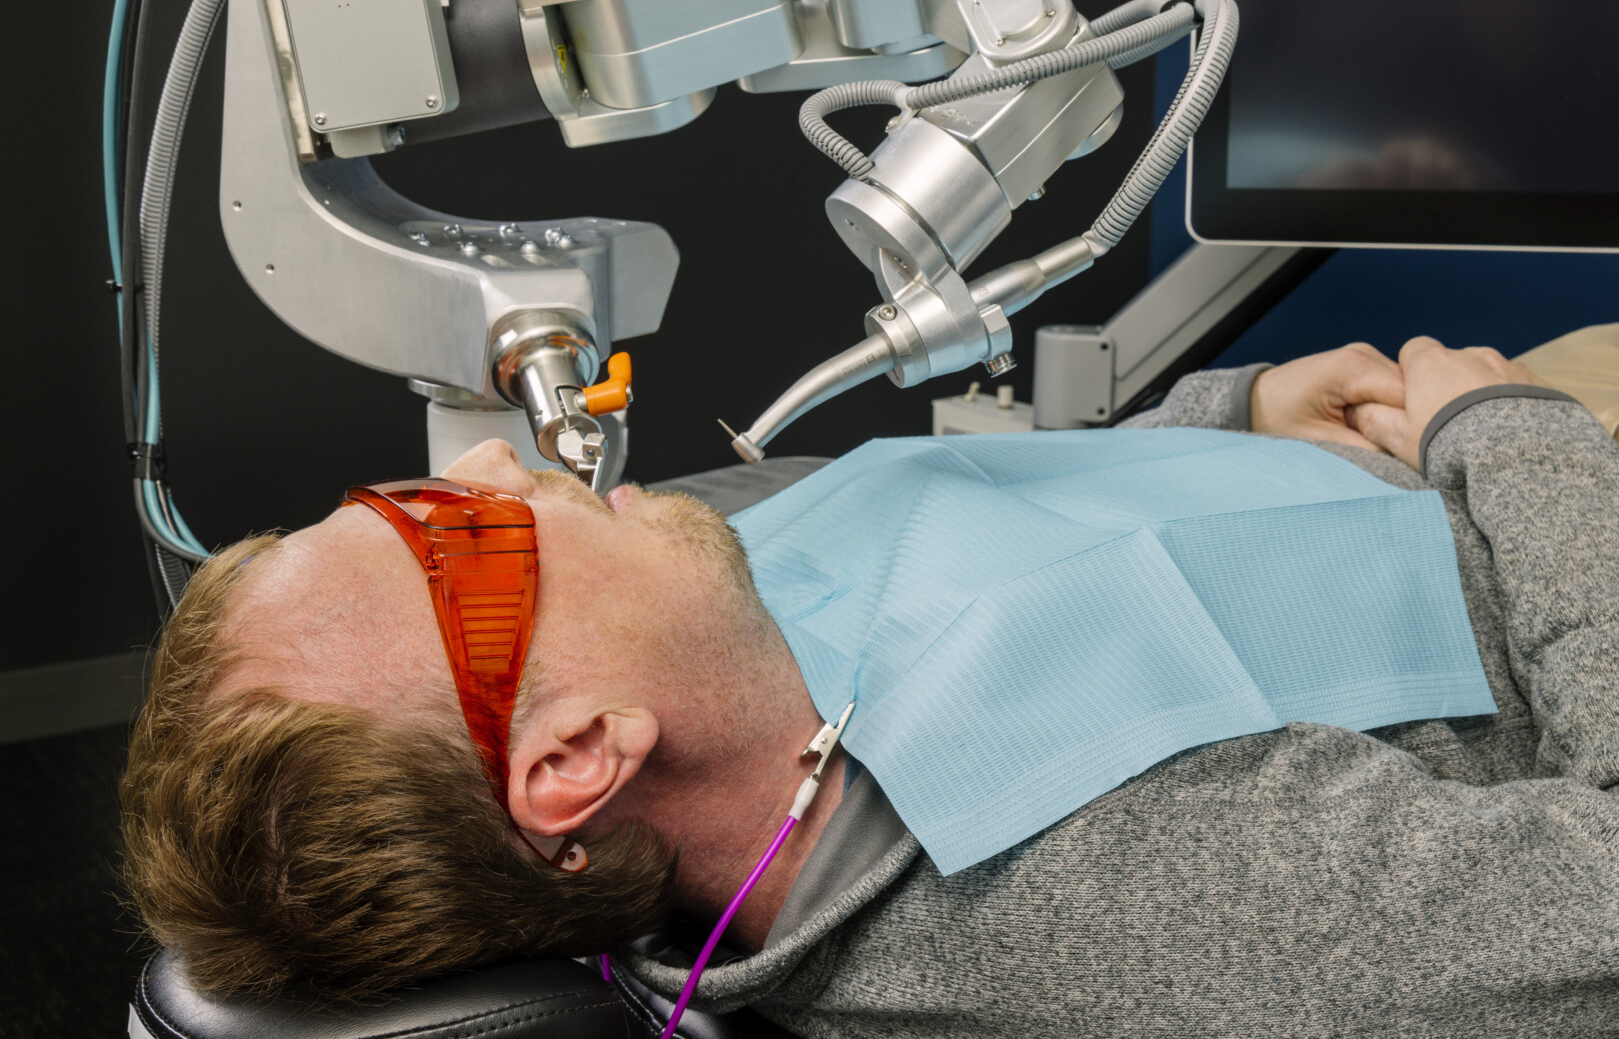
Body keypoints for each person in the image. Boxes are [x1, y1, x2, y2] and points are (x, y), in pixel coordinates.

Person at [122, 336, 1619, 1035]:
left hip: (1407, 451)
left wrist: (1232, 419)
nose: (493, 466)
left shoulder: (693, 627)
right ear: (576, 757)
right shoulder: (1125, 904)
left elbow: (977, 530)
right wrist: (1520, 437)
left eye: (401, 496)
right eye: (456, 542)